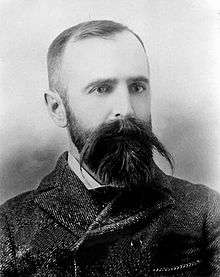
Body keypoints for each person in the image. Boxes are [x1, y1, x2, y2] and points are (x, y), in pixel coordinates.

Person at [0, 20, 219, 277]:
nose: (126, 109)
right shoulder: (9, 229)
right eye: (101, 89)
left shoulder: (205, 212)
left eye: (137, 88)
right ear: (57, 109)